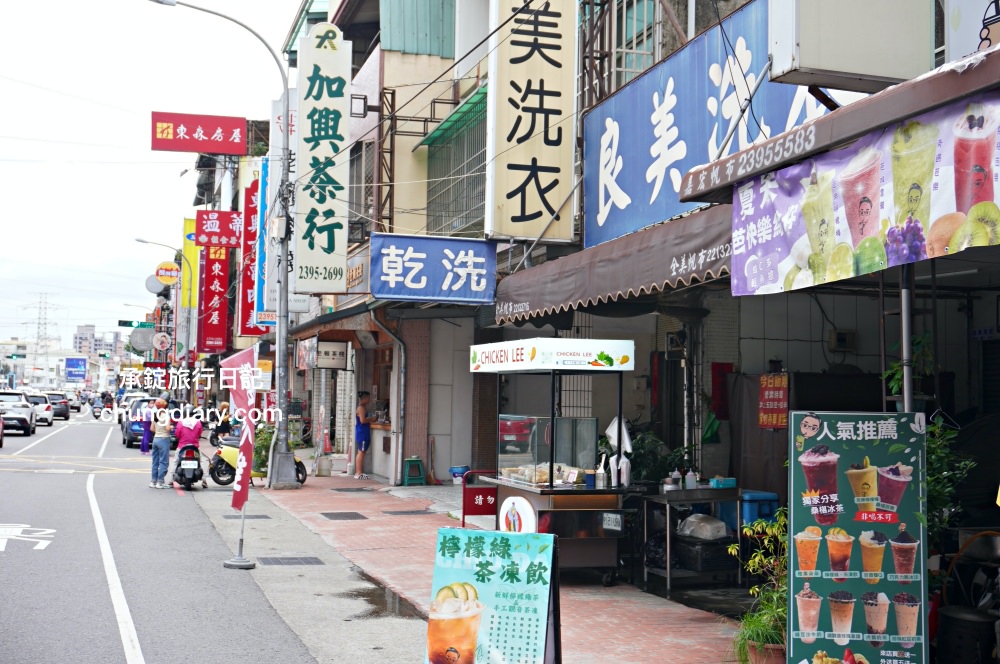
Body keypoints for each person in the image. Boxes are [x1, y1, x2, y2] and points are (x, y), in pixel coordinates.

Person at [149, 398, 174, 489]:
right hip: (164, 439)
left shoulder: (155, 415)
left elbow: (152, 429)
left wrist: (158, 431)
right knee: (164, 461)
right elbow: (167, 429)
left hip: (155, 439)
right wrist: (171, 427)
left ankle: (153, 482)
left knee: (155, 461)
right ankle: (160, 482)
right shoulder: (166, 416)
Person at [354, 391, 377, 480]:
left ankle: (358, 472)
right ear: (364, 398)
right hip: (362, 432)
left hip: (362, 432)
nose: (369, 400)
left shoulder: (361, 407)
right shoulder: (361, 408)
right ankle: (358, 473)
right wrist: (372, 419)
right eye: (368, 398)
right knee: (361, 452)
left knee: (361, 452)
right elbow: (363, 420)